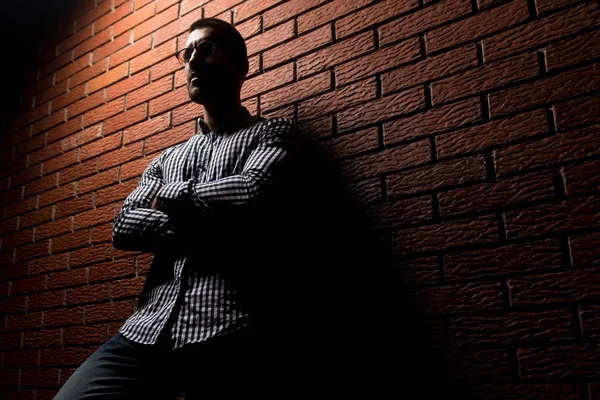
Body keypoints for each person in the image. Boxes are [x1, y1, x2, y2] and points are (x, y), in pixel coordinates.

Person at [54, 17, 299, 399]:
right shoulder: (168, 157)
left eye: (206, 49)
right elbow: (124, 227)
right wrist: (215, 221)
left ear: (242, 65)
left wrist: (170, 196)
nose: (192, 61)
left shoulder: (272, 132)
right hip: (145, 331)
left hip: (229, 327)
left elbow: (253, 189)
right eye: (186, 54)